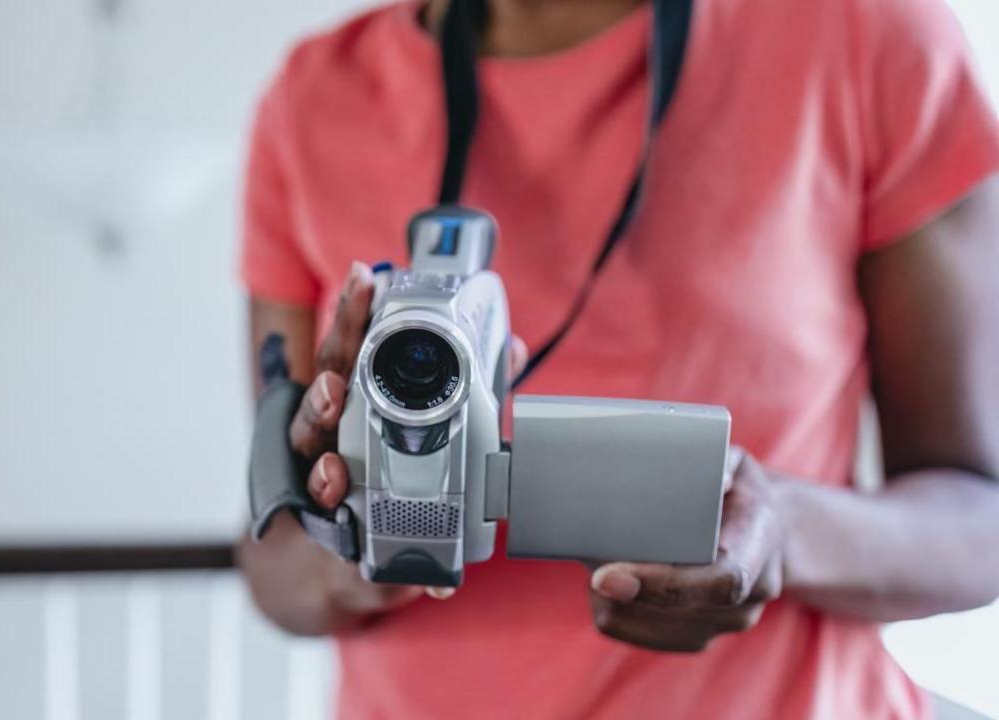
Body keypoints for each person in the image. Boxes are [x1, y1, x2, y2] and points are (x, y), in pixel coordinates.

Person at [235, 0, 999, 716]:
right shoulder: (311, 98)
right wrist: (360, 533)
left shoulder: (858, 32)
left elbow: (980, 521)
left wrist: (782, 533)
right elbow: (272, 557)